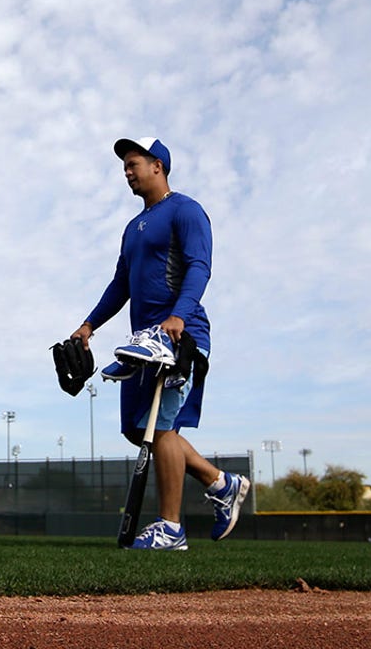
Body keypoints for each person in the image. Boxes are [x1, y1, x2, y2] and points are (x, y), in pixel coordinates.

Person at [70, 137, 250, 550]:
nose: (127, 172)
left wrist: (179, 315)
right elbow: (121, 285)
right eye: (124, 168)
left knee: (163, 428)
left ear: (158, 165)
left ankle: (171, 528)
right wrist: (89, 324)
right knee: (139, 430)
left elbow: (199, 266)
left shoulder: (185, 210)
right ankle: (220, 482)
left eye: (133, 164)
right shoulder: (133, 228)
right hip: (142, 343)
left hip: (179, 336)